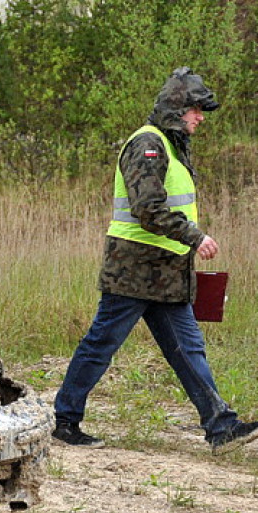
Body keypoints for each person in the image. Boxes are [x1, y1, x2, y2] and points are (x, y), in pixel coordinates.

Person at [53, 67, 258, 455]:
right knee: (101, 345)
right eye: (196, 109)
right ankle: (64, 420)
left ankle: (221, 427)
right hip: (134, 271)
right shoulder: (148, 144)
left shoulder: (169, 144)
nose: (200, 117)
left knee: (189, 350)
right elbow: (147, 209)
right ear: (176, 108)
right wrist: (195, 237)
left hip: (165, 274)